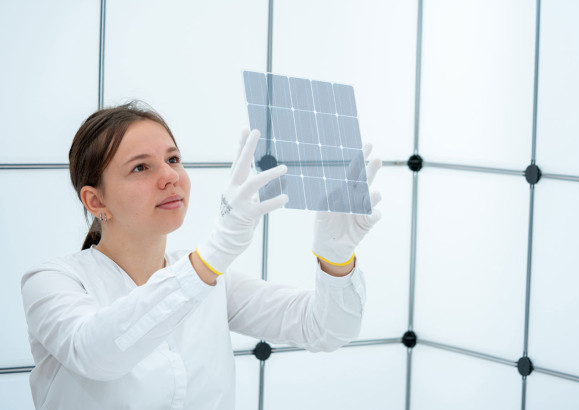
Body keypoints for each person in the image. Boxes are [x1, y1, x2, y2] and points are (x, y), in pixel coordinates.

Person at [20, 102, 382, 409]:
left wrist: (336, 258)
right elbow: (95, 353)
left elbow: (326, 329)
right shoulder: (52, 282)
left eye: (173, 159)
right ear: (96, 201)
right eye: (141, 167)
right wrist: (212, 256)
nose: (170, 176)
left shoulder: (212, 283)